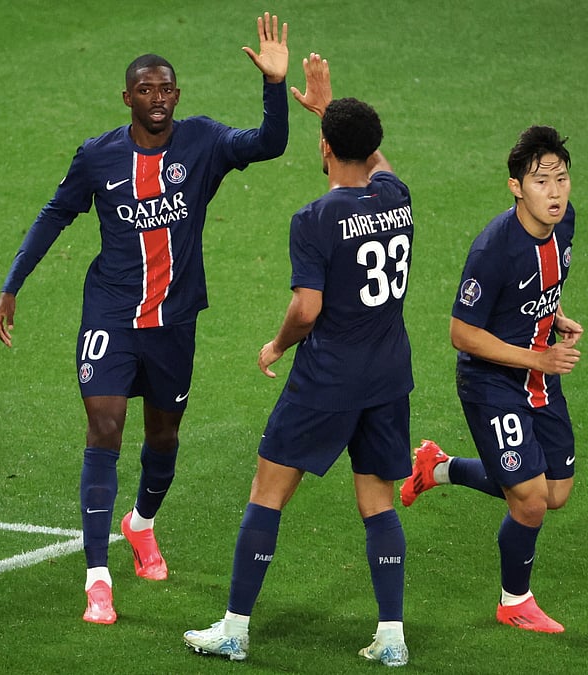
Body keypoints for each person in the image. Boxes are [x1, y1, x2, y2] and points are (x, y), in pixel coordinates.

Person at [0, 13, 290, 624]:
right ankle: (98, 577)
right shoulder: (98, 156)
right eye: (145, 91)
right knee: (104, 427)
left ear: (177, 96)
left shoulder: (203, 142)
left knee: (163, 438)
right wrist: (12, 284)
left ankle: (142, 524)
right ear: (127, 98)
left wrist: (274, 85)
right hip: (110, 312)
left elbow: (270, 144)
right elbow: (55, 214)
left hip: (175, 320)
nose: (157, 99)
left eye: (166, 89)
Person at [183, 53, 414, 666]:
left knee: (267, 490)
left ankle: (234, 629)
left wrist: (277, 344)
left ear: (324, 148)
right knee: (378, 500)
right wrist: (329, 110)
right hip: (389, 375)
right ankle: (392, 638)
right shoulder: (398, 195)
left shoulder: (313, 219)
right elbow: (376, 158)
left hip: (328, 378)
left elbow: (307, 308)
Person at [400, 125, 582, 634]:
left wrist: (555, 315)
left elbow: (546, 280)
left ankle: (436, 468)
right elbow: (461, 333)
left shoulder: (563, 226)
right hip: (491, 383)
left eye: (562, 179)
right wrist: (535, 356)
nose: (555, 191)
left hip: (537, 374)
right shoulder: (493, 250)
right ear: (515, 187)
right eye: (542, 181)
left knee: (556, 491)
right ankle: (514, 600)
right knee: (529, 500)